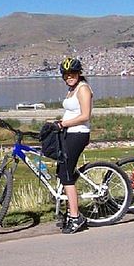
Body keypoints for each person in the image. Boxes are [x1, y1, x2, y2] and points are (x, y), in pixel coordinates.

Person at [56, 57, 93, 234]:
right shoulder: (72, 89)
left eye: (72, 73)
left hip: (78, 134)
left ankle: (75, 216)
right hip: (68, 133)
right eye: (66, 74)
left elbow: (85, 115)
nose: (69, 77)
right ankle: (69, 210)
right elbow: (71, 112)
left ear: (79, 73)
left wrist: (63, 124)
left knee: (66, 174)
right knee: (61, 170)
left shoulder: (83, 89)